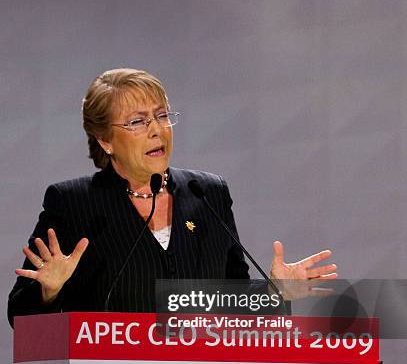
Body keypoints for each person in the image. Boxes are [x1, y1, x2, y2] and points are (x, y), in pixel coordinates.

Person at [8, 68, 337, 327]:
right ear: (105, 140)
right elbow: (19, 315)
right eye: (137, 121)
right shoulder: (73, 203)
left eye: (162, 116)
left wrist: (273, 293)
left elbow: (233, 300)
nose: (156, 130)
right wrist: (49, 292)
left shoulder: (207, 193)